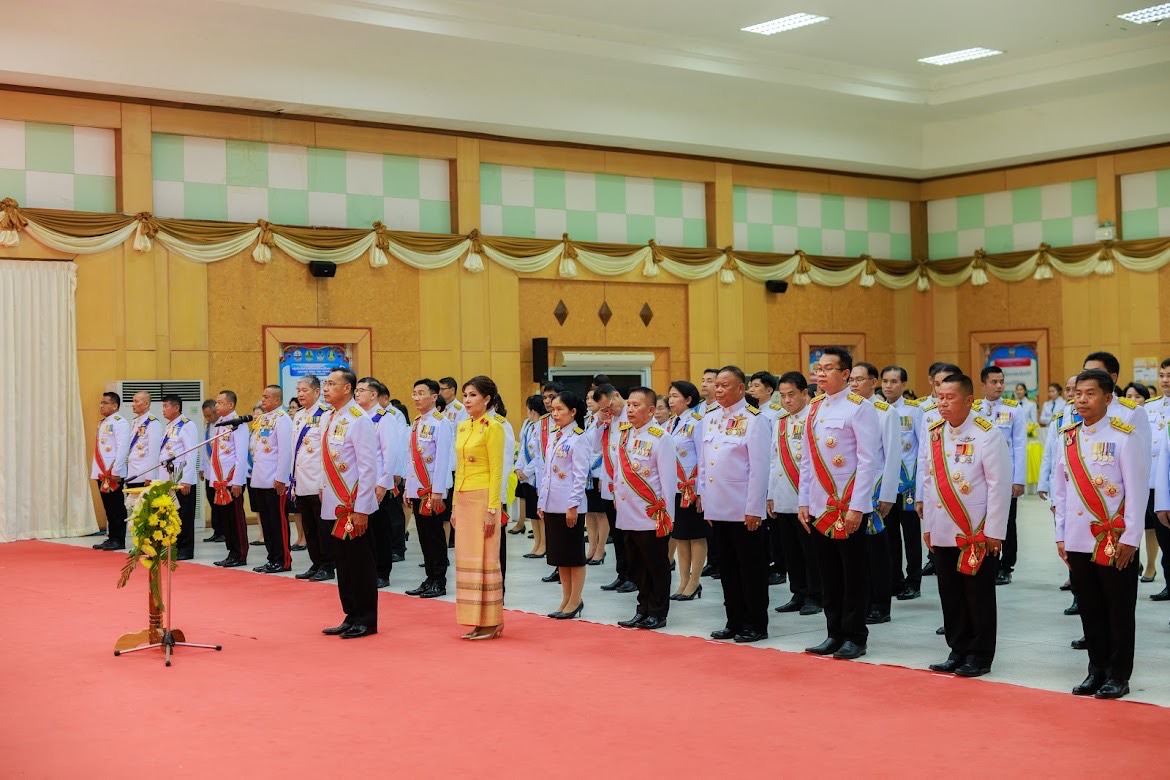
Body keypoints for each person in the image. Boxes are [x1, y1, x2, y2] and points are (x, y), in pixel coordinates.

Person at [1052, 369, 1147, 699]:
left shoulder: (1124, 436)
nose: (1081, 400)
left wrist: (1131, 538)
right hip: (1078, 537)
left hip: (1113, 539)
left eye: (1090, 394)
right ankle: (1096, 670)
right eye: (1078, 393)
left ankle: (1118, 675)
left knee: (1118, 609)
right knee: (1090, 608)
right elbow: (1061, 491)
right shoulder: (1068, 437)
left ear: (1108, 398)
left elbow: (1136, 492)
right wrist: (1061, 535)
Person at [918, 373, 1010, 678]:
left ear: (969, 400)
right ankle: (957, 649)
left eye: (950, 397)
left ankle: (980, 655)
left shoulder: (987, 433)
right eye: (939, 397)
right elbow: (929, 481)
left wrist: (994, 531)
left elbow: (998, 485)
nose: (942, 403)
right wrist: (928, 527)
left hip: (975, 530)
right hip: (943, 528)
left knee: (977, 595)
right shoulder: (934, 432)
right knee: (950, 593)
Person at [799, 347, 881, 660]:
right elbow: (807, 460)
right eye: (818, 368)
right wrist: (804, 501)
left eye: (828, 368)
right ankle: (833, 632)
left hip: (847, 505)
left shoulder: (860, 408)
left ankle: (855, 636)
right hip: (821, 506)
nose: (820, 373)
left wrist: (858, 507)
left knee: (853, 574)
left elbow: (867, 461)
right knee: (829, 574)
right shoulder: (814, 407)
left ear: (845, 374)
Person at [700, 366, 771, 643]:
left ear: (741, 388)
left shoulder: (754, 420)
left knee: (750, 569)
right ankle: (734, 620)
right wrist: (707, 502)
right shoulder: (710, 418)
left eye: (724, 385)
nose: (718, 390)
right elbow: (705, 464)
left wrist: (754, 508)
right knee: (728, 569)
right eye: (716, 385)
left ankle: (755, 623)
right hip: (719, 507)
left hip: (743, 509)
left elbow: (759, 469)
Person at [609, 386, 677, 630]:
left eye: (636, 405)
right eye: (629, 404)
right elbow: (619, 473)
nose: (630, 409)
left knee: (656, 565)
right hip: (628, 513)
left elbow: (668, 481)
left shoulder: (661, 438)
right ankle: (642, 608)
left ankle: (658, 612)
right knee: (636, 565)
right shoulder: (624, 434)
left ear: (650, 410)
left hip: (651, 514)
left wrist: (667, 516)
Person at [319, 368, 380, 640]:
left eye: (332, 384)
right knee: (343, 564)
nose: (326, 388)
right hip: (334, 503)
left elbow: (368, 467)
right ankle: (350, 614)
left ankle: (366, 619)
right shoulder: (330, 417)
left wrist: (362, 509)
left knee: (360, 564)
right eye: (325, 383)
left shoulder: (359, 419)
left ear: (347, 388)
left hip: (353, 504)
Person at [452, 375, 507, 640]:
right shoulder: (463, 427)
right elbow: (460, 467)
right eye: (465, 395)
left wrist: (492, 509)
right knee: (468, 559)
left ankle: (492, 621)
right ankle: (475, 619)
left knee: (486, 558)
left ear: (487, 399)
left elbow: (497, 471)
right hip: (464, 499)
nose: (467, 400)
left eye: (473, 395)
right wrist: (454, 505)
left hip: (484, 497)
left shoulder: (493, 427)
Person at [848, 362, 901, 625]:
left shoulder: (885, 412)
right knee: (857, 551)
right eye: (852, 379)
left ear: (873, 382)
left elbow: (892, 455)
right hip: (852, 490)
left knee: (877, 550)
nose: (855, 384)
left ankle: (881, 604)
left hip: (875, 489)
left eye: (860, 379)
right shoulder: (848, 408)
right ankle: (863, 601)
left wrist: (888, 494)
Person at [767, 371, 822, 615]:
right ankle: (798, 592)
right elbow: (773, 460)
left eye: (791, 394)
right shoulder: (780, 421)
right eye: (782, 396)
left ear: (804, 393)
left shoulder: (814, 418)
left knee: (810, 550)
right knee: (791, 550)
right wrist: (771, 494)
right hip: (784, 494)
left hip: (806, 497)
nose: (787, 400)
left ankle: (815, 595)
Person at [537, 390, 591, 619]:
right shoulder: (555, 435)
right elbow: (547, 472)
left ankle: (575, 599)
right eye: (553, 409)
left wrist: (573, 505)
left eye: (560, 409)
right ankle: (565, 598)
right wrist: (542, 501)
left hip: (569, 505)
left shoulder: (579, 438)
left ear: (573, 411)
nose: (555, 413)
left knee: (573, 555)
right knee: (560, 556)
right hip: (552, 504)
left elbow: (580, 475)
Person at [973, 366, 1026, 586]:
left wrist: (1018, 479)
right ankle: (988, 562)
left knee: (1008, 522)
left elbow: (1020, 445)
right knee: (983, 520)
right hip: (980, 476)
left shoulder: (1014, 409)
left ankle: (1006, 566)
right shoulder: (974, 409)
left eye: (1001, 382)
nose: (999, 386)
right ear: (983, 384)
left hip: (1005, 476)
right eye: (994, 382)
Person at [405, 379, 454, 598]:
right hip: (417, 488)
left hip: (432, 489)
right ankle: (429, 577)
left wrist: (438, 492)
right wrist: (408, 489)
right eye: (414, 393)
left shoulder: (441, 423)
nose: (416, 398)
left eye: (421, 393)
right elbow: (410, 459)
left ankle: (439, 580)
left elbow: (443, 459)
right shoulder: (416, 422)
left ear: (434, 397)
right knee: (423, 536)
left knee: (435, 535)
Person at [880, 365, 924, 601]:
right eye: (885, 381)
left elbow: (922, 448)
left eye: (894, 381)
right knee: (889, 536)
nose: (889, 386)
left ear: (904, 385)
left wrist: (920, 485)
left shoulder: (914, 411)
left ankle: (913, 581)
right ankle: (894, 580)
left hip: (908, 485)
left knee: (911, 535)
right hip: (886, 485)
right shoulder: (877, 410)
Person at [355, 377, 400, 588]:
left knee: (379, 530)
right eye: (356, 390)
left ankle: (382, 572)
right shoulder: (357, 417)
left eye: (361, 390)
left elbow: (390, 453)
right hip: (360, 483)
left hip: (377, 483)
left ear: (373, 395)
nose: (357, 394)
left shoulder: (384, 418)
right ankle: (367, 570)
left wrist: (384, 483)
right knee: (363, 530)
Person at [291, 376, 335, 582]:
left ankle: (327, 565)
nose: (300, 394)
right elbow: (295, 450)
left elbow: (326, 451)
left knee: (322, 527)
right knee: (308, 526)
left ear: (317, 392)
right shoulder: (299, 415)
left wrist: (323, 483)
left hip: (317, 481)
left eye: (305, 390)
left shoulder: (325, 414)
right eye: (299, 390)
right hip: (301, 480)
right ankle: (315, 562)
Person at [594, 384, 636, 593]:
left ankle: (634, 576)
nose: (609, 410)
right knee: (617, 533)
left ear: (617, 395)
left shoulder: (632, 415)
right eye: (604, 408)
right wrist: (599, 422)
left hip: (627, 486)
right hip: (609, 483)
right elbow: (594, 447)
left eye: (609, 405)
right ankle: (622, 574)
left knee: (629, 534)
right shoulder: (607, 419)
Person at [666, 380, 706, 600]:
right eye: (670, 396)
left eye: (675, 396)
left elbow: (703, 457)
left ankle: (694, 581)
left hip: (691, 487)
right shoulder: (671, 422)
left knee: (696, 535)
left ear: (689, 399)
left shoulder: (697, 422)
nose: (671, 400)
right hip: (675, 487)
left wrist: (701, 491)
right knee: (680, 535)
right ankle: (682, 581)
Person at [249, 385, 294, 573]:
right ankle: (271, 557)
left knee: (277, 522)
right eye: (263, 396)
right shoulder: (263, 419)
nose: (263, 400)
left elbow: (285, 451)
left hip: (275, 480)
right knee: (267, 522)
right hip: (260, 477)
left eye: (267, 397)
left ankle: (283, 559)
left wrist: (281, 478)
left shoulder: (282, 419)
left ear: (277, 400)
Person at [210, 390, 252, 568]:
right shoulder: (220, 423)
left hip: (232, 479)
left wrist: (237, 481)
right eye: (216, 402)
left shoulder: (238, 424)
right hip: (220, 480)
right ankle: (231, 552)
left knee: (236, 518)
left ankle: (240, 553)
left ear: (231, 404)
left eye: (220, 402)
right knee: (226, 519)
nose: (216, 405)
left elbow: (241, 455)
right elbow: (217, 454)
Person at [157, 394, 199, 560]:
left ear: (176, 407)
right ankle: (173, 546)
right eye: (163, 406)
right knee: (172, 515)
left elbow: (190, 453)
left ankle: (186, 549)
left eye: (166, 406)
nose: (163, 409)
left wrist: (186, 479)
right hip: (169, 478)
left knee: (184, 516)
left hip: (181, 479)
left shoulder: (187, 425)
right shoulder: (169, 426)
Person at [375, 382, 410, 563]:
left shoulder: (394, 415)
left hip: (392, 471)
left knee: (395, 512)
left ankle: (398, 547)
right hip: (379, 473)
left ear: (384, 398)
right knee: (383, 515)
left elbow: (399, 445)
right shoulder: (369, 415)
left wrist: (396, 471)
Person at [92, 392, 131, 551]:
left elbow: (122, 448)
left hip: (112, 471)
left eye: (105, 403)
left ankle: (119, 539)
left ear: (115, 406)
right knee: (108, 506)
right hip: (102, 471)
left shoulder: (120, 423)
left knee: (117, 506)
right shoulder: (103, 422)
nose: (101, 406)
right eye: (101, 402)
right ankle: (111, 537)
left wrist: (116, 470)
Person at [1146, 359, 1170, 588]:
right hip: (1153, 483)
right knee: (1163, 538)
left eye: (1169, 376)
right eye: (1162, 375)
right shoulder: (1150, 407)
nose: (1165, 380)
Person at [582, 392, 609, 565]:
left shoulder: (607, 419)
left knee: (601, 512)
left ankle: (601, 548)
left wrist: (605, 475)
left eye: (593, 398)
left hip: (600, 471)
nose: (589, 401)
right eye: (587, 398)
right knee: (590, 511)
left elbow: (606, 448)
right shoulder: (587, 420)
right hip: (587, 472)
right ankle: (591, 547)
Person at [511, 395, 544, 537]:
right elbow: (522, 450)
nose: (527, 412)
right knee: (532, 513)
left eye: (528, 409)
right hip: (526, 476)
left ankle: (543, 544)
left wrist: (526, 472)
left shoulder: (543, 427)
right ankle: (537, 543)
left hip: (536, 476)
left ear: (533, 410)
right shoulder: (530, 426)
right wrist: (518, 468)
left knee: (539, 514)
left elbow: (540, 455)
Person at [125, 390, 163, 489]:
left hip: (143, 474)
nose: (133, 404)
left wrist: (150, 476)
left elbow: (154, 452)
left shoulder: (153, 423)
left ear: (146, 404)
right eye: (133, 401)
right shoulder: (135, 422)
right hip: (132, 472)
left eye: (136, 401)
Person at [199, 399, 225, 544]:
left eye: (209, 415)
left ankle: (224, 531)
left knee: (221, 503)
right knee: (212, 502)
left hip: (220, 472)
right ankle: (217, 531)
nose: (207, 418)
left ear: (216, 411)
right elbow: (204, 449)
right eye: (205, 416)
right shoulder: (207, 427)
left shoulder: (224, 425)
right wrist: (201, 468)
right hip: (209, 471)